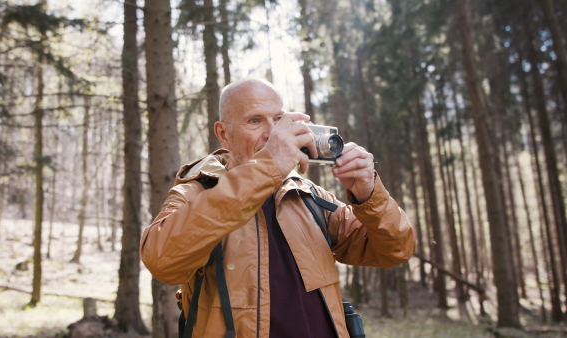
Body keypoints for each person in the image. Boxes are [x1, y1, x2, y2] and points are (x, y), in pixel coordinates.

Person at [140, 78, 415, 338]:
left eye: (279, 120)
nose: (273, 134)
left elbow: (395, 250)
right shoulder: (196, 192)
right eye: (255, 121)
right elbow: (163, 262)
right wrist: (266, 168)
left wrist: (368, 194)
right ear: (224, 134)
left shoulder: (309, 196)